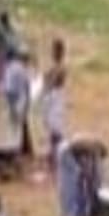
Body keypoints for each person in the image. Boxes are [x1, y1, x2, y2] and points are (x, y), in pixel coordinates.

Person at [40, 39, 68, 174]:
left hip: (55, 98)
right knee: (52, 128)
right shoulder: (55, 67)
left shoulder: (60, 68)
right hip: (52, 98)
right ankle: (53, 155)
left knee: (56, 129)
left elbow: (52, 81)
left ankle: (56, 157)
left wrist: (46, 82)